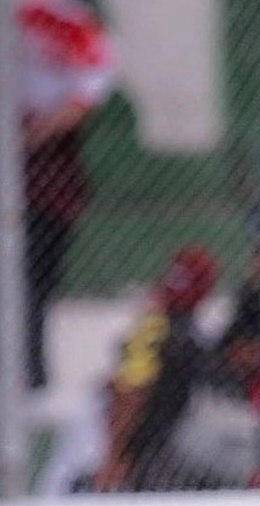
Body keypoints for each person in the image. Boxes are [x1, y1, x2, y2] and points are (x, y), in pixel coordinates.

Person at [18, 0, 115, 389]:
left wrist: (30, 137)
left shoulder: (71, 25)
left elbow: (86, 92)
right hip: (34, 165)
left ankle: (29, 376)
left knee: (35, 283)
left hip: (45, 179)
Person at [92, 245, 220, 492]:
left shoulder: (175, 328)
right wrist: (115, 455)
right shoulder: (158, 327)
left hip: (162, 447)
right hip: (145, 452)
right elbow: (130, 393)